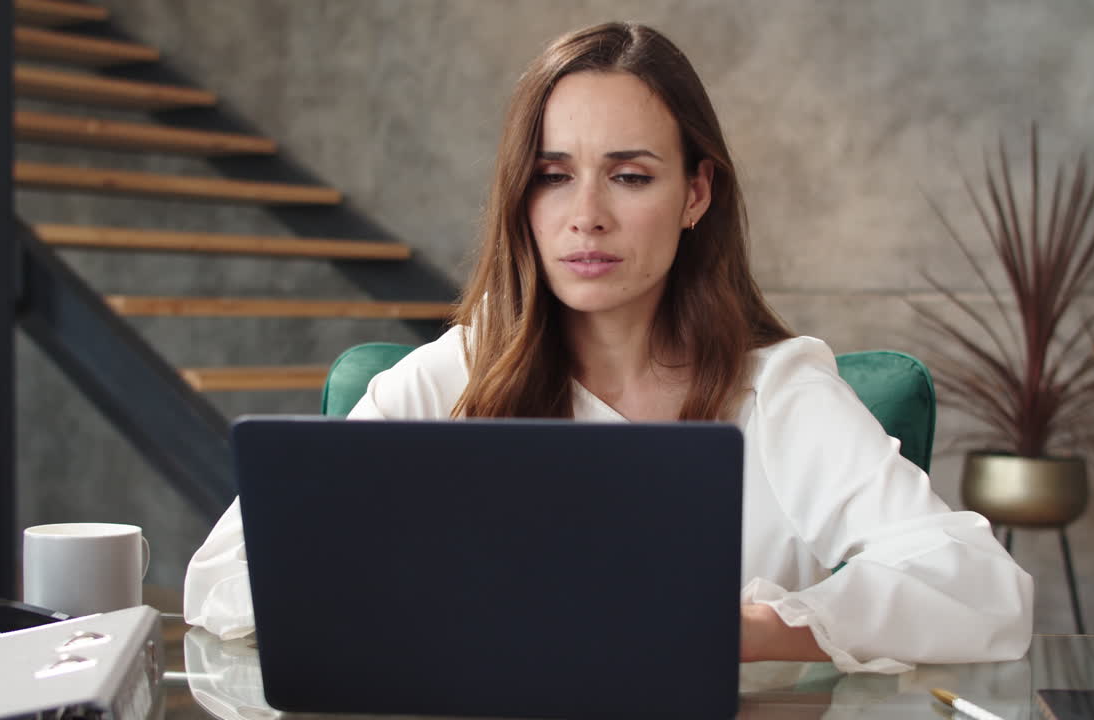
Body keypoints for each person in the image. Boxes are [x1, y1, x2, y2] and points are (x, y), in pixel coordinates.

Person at [185, 21, 1033, 673]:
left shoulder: (778, 395)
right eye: (554, 175)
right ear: (521, 196)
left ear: (696, 193)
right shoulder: (455, 376)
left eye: (629, 176)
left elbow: (982, 588)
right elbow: (222, 577)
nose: (585, 214)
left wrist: (741, 631)